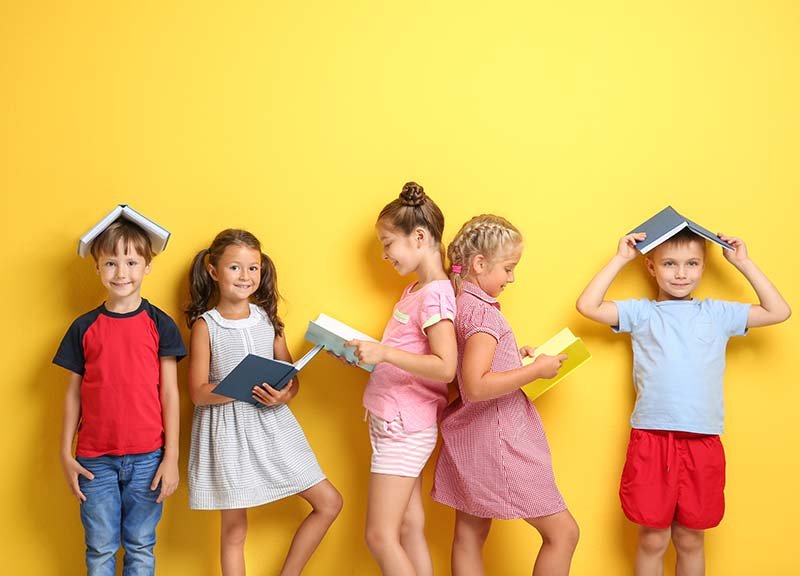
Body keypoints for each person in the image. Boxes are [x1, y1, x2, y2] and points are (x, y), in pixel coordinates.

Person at [575, 228, 791, 575]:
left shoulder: (717, 313)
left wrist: (743, 263)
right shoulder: (642, 313)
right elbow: (587, 306)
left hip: (702, 439)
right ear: (651, 267)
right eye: (669, 264)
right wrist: (620, 258)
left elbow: (778, 311)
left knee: (691, 539)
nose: (681, 273)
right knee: (652, 539)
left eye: (691, 263)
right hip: (652, 438)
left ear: (704, 266)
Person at [186, 228, 341, 576]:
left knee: (329, 502)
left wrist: (283, 394)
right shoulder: (206, 326)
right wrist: (240, 385)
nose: (245, 276)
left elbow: (291, 378)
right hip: (228, 433)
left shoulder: (268, 320)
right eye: (235, 268)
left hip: (273, 426)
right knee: (234, 530)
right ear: (213, 271)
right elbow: (197, 392)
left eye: (253, 268)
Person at [432, 214, 579, 576]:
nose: (512, 278)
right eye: (508, 268)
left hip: (469, 438)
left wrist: (515, 357)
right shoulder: (485, 316)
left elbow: (464, 371)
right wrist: (535, 370)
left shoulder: (457, 305)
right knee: (564, 533)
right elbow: (477, 386)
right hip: (499, 440)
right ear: (480, 264)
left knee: (469, 534)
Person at [54, 219, 186, 575]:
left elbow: (170, 393)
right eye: (111, 263)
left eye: (131, 262)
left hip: (148, 458)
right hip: (94, 461)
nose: (121, 272)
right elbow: (73, 394)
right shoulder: (83, 327)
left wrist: (171, 456)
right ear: (97, 267)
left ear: (148, 266)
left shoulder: (160, 324)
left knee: (141, 546)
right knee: (100, 548)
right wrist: (65, 453)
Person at [344, 182, 458, 576]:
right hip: (395, 420)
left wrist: (384, 354)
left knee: (379, 536)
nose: (384, 254)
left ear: (420, 238)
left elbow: (445, 366)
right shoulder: (416, 290)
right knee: (409, 528)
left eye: (388, 243)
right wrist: (368, 357)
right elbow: (408, 355)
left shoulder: (436, 295)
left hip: (404, 426)